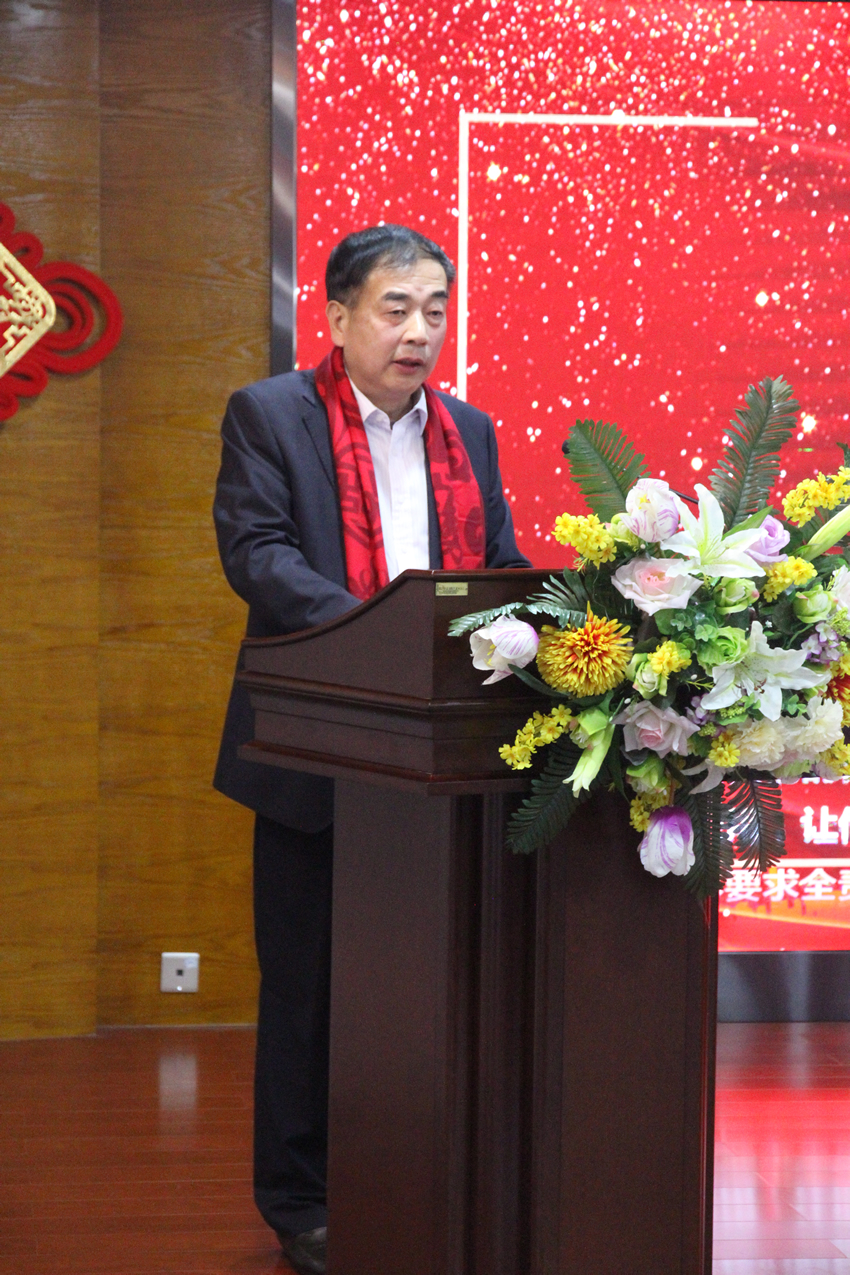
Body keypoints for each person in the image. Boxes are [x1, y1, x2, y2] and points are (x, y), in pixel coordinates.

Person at [213, 223, 529, 1275]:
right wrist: (380, 636)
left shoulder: (468, 429)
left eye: (435, 310)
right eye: (396, 309)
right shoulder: (271, 415)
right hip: (315, 749)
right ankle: (300, 1200)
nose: (419, 331)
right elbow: (258, 556)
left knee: (433, 983)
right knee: (307, 990)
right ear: (339, 315)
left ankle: (424, 1172)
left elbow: (494, 561)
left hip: (440, 763)